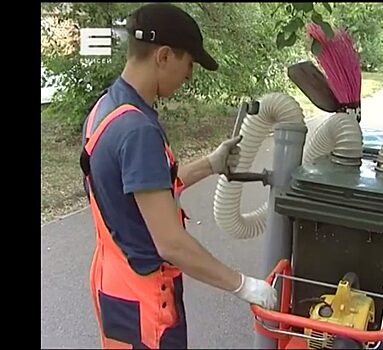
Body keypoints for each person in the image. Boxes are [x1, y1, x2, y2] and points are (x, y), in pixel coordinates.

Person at [79, 3, 276, 349]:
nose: (189, 76)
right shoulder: (137, 130)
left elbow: (142, 191)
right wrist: (244, 285)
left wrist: (211, 164)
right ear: (165, 56)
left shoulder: (107, 109)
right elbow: (170, 243)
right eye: (189, 65)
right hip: (146, 303)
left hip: (113, 286)